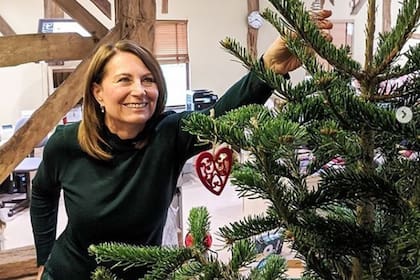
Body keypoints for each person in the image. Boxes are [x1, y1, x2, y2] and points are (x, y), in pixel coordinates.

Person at [30, 10, 333, 280]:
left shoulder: (168, 134)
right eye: (124, 80)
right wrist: (43, 258)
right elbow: (42, 193)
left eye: (148, 80)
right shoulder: (67, 144)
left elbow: (224, 115)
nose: (140, 90)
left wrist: (271, 66)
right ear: (97, 93)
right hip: (70, 273)